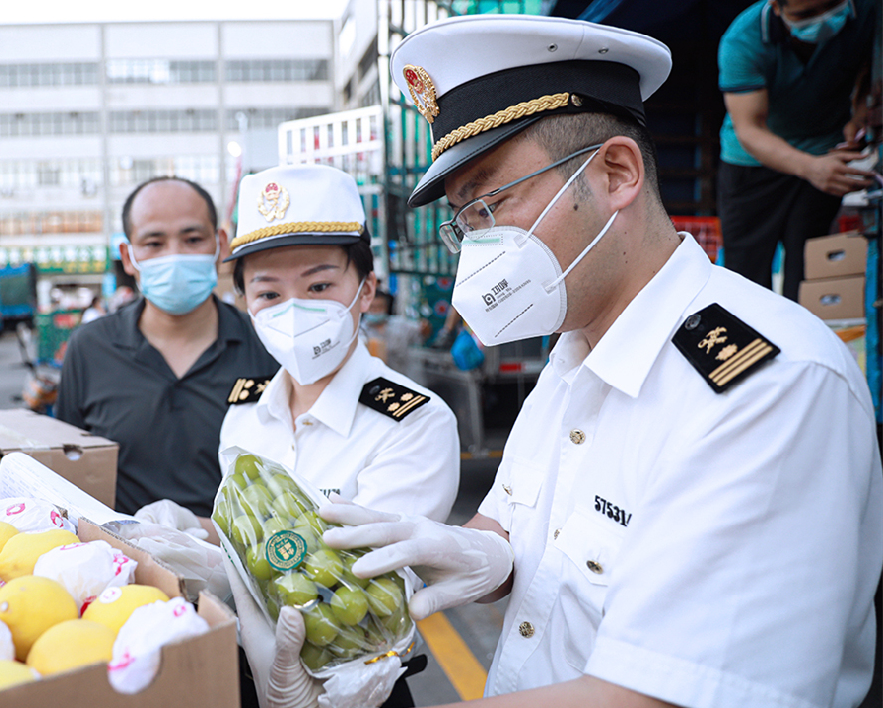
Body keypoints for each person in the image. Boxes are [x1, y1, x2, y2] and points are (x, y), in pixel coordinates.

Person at [240, 15, 883, 708]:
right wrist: (475, 553)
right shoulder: (573, 354)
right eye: (463, 224)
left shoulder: (767, 388)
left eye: (491, 204)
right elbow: (515, 532)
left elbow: (652, 696)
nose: (474, 251)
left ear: (616, 173)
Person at [217, 164, 460, 708]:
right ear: (246, 305)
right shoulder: (243, 411)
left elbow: (366, 594)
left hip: (359, 687)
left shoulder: (413, 422)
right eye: (268, 293)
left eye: (320, 286)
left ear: (366, 290)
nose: (293, 310)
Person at [55, 176, 280, 517]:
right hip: (123, 561)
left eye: (192, 239)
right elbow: (69, 467)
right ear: (128, 256)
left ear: (220, 243)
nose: (174, 256)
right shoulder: (90, 348)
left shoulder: (267, 345)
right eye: (154, 243)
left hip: (243, 559)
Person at [717, 0, 877, 299]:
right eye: (806, 15)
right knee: (746, 273)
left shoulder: (868, 12)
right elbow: (750, 128)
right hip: (752, 162)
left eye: (831, 7)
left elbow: (871, 70)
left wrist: (859, 112)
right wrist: (811, 167)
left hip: (824, 152)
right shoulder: (743, 40)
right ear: (777, 7)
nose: (824, 20)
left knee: (809, 267)